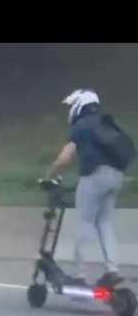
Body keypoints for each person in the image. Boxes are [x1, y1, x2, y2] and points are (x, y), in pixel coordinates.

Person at [47, 89, 125, 287]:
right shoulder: (106, 123)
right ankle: (112, 270)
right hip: (116, 177)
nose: (70, 110)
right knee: (104, 222)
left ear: (80, 105)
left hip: (94, 176)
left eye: (72, 106)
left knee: (84, 222)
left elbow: (65, 158)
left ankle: (80, 275)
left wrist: (50, 174)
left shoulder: (81, 125)